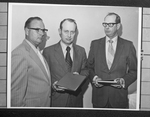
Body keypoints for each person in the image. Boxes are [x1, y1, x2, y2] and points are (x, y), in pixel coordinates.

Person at [88, 12, 137, 108]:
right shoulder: (95, 44)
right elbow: (88, 68)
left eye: (110, 24)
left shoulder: (128, 46)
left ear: (118, 26)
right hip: (99, 99)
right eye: (105, 24)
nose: (107, 27)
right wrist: (94, 78)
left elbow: (134, 71)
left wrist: (123, 81)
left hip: (119, 99)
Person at [43, 18, 89, 107]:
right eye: (66, 31)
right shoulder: (48, 51)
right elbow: (44, 76)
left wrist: (79, 76)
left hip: (76, 101)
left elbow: (86, 70)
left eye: (72, 32)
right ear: (59, 31)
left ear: (76, 33)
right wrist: (53, 84)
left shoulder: (81, 51)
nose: (69, 35)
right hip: (57, 100)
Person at [11, 17, 51, 107]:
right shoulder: (19, 53)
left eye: (43, 30)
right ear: (27, 31)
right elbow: (16, 96)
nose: (42, 33)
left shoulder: (37, 51)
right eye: (37, 30)